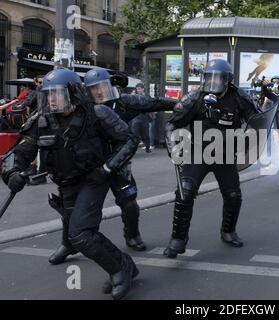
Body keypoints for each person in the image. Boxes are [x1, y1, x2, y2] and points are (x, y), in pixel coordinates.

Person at [2, 68, 139, 299]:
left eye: (57, 93)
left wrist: (107, 168)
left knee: (81, 234)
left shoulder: (98, 114)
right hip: (65, 184)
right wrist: (12, 173)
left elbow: (128, 140)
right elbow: (17, 153)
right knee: (80, 230)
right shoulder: (41, 121)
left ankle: (120, 269)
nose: (52, 99)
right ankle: (125, 265)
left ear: (73, 93)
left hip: (93, 180)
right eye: (48, 94)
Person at [44, 68, 177, 265]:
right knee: (70, 208)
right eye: (93, 89)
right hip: (85, 167)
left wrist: (184, 105)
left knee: (128, 202)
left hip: (117, 162)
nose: (98, 92)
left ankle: (132, 235)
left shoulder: (124, 103)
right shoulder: (80, 107)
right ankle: (68, 242)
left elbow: (154, 102)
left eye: (102, 87)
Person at [164, 59, 260, 258]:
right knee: (185, 192)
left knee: (233, 195)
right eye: (209, 77)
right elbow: (172, 125)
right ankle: (178, 239)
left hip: (224, 154)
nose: (213, 82)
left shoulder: (239, 97)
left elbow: (258, 121)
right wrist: (174, 148)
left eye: (218, 78)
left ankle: (228, 231)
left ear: (228, 80)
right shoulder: (194, 98)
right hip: (198, 152)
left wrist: (246, 141)